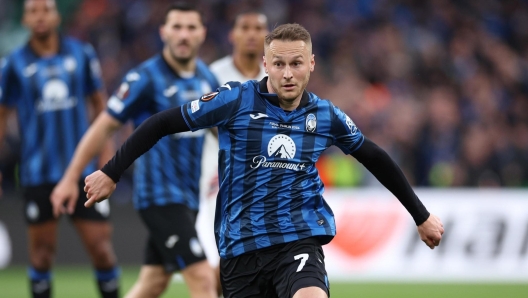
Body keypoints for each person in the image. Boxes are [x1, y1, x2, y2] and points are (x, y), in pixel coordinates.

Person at [83, 23, 445, 298]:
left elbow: (374, 157)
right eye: (280, 64)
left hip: (298, 240)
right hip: (240, 248)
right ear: (265, 64)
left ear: (312, 64)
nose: (288, 73)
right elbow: (162, 122)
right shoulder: (235, 101)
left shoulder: (325, 115)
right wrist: (112, 172)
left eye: (297, 63)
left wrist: (421, 215)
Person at [50, 2, 219, 298]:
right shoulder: (145, 77)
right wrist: (70, 177)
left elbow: (221, 130)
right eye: (176, 27)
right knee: (203, 279)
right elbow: (103, 127)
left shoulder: (206, 77)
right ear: (163, 31)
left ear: (202, 33)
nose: (183, 35)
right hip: (159, 196)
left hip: (190, 197)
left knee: (153, 284)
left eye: (190, 27)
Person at [0, 1, 119, 297]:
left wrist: (108, 160)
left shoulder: (82, 54)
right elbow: (1, 116)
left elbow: (100, 107)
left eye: (46, 9)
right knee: (41, 255)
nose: (40, 16)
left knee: (102, 250)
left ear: (56, 15)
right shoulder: (13, 63)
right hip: (37, 174)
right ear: (25, 18)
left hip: (85, 173)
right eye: (33, 10)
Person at [198, 9, 269, 269]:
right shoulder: (213, 75)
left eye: (258, 28)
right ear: (232, 35)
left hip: (263, 178)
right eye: (245, 27)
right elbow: (203, 120)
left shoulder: (275, 76)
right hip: (218, 178)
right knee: (220, 263)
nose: (251, 34)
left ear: (267, 36)